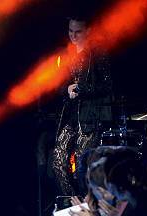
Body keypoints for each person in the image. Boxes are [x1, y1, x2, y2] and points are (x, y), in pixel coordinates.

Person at [51, 16, 113, 197]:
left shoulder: (98, 53)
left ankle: (87, 204)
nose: (73, 35)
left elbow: (108, 86)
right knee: (57, 160)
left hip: (90, 117)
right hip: (70, 115)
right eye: (70, 31)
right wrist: (67, 88)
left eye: (77, 31)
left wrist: (82, 88)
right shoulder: (66, 55)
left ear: (88, 31)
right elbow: (59, 85)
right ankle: (72, 201)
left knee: (82, 163)